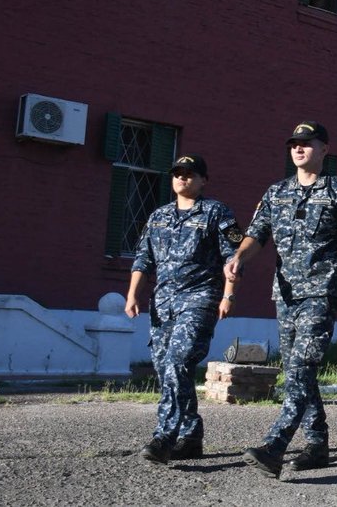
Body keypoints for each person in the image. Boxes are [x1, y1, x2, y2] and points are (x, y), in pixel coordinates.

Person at [224, 121, 337, 478]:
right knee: (299, 371)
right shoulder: (276, 192)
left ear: (324, 149)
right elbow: (257, 234)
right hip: (285, 293)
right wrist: (239, 258)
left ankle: (275, 445)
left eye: (307, 143)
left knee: (302, 366)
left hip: (322, 290)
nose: (298, 148)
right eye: (294, 144)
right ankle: (317, 444)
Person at [126, 154, 243, 465]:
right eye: (177, 173)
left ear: (203, 180)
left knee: (178, 362)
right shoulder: (159, 215)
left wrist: (228, 295)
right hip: (162, 303)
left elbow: (233, 259)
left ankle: (164, 436)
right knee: (166, 369)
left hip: (200, 299)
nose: (182, 178)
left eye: (190, 174)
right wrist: (132, 295)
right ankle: (190, 436)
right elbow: (143, 259)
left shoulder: (217, 212)